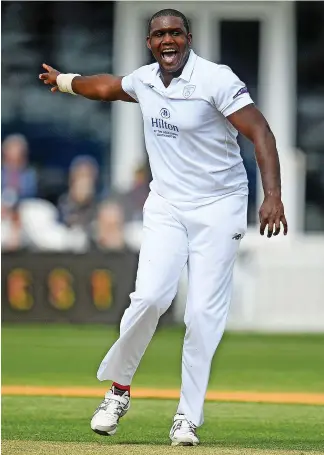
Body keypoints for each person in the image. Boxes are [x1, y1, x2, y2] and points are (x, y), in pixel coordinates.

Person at [39, 8, 288, 446]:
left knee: (201, 316)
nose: (167, 41)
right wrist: (65, 81)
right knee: (150, 297)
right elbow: (108, 87)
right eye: (159, 35)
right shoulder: (146, 80)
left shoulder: (217, 80)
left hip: (220, 205)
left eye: (175, 33)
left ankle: (186, 418)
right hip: (168, 204)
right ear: (150, 41)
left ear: (188, 38)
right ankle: (118, 391)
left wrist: (272, 196)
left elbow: (262, 133)